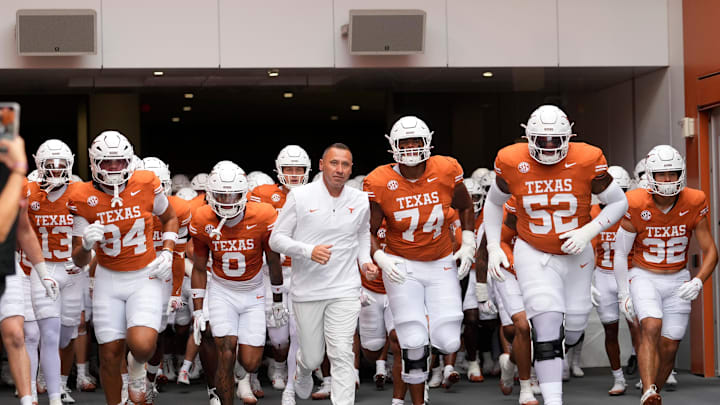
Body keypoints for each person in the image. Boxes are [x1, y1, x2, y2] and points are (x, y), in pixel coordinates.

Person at [484, 105, 628, 405]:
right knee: (547, 323)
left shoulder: (588, 157)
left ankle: (553, 355)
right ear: (528, 136)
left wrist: (587, 231)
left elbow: (618, 203)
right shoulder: (510, 159)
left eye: (555, 140)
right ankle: (553, 400)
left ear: (569, 137)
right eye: (541, 139)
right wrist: (495, 246)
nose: (549, 146)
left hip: (577, 251)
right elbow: (494, 202)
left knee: (573, 330)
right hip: (532, 249)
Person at [363, 116, 476, 405]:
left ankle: (425, 361)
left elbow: (465, 206)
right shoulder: (379, 180)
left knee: (449, 339)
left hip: (440, 262)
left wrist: (468, 241)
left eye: (416, 141)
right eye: (405, 142)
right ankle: (416, 399)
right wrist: (379, 256)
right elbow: (368, 230)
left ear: (428, 143)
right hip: (402, 264)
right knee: (412, 340)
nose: (411, 147)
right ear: (393, 146)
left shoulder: (447, 168)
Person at [68, 130, 179, 405]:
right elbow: (78, 260)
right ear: (95, 164)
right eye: (107, 162)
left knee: (142, 346)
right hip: (108, 277)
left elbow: (170, 218)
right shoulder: (81, 196)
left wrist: (167, 250)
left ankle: (138, 368)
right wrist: (85, 245)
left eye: (119, 161)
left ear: (129, 161)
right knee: (109, 353)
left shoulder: (145, 183)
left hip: (145, 275)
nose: (115, 168)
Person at [270, 143, 378, 405]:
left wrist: (365, 262)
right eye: (334, 163)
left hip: (345, 289)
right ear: (321, 164)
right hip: (307, 291)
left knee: (342, 353)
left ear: (351, 168)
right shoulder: (300, 196)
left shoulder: (360, 199)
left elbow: (362, 234)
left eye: (345, 164)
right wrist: (308, 251)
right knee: (313, 356)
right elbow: (276, 240)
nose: (339, 170)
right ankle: (304, 369)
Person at [613, 145, 717, 405]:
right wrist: (623, 293)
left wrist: (697, 280)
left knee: (670, 346)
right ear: (651, 176)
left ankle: (653, 390)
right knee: (651, 325)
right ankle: (647, 390)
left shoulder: (695, 199)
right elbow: (620, 251)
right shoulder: (635, 201)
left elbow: (711, 250)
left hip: (678, 277)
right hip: (644, 274)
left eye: (673, 173)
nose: (668, 179)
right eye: (662, 174)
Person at [190, 161, 286, 405]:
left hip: (253, 291)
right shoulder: (202, 217)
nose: (227, 201)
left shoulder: (263, 214)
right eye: (221, 195)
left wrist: (277, 300)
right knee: (226, 350)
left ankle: (241, 375)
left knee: (251, 362)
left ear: (244, 195)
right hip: (222, 290)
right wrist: (199, 309)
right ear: (210, 195)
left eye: (233, 194)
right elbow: (200, 268)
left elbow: (273, 262)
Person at [247, 144, 312, 404]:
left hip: (301, 272)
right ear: (278, 170)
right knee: (277, 334)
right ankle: (276, 362)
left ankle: (288, 376)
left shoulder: (316, 195)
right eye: (289, 169)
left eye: (299, 169)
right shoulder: (263, 194)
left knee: (298, 331)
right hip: (269, 272)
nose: (294, 174)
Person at [25, 140, 85, 403]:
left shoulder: (81, 191)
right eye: (51, 166)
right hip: (44, 267)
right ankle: (53, 396)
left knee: (66, 334)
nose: (57, 171)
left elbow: (88, 238)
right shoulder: (28, 191)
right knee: (46, 334)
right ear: (40, 165)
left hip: (73, 270)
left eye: (62, 166)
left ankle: (53, 378)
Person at [142, 157, 193, 403]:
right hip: (129, 273)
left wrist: (175, 291)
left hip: (160, 277)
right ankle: (130, 382)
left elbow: (178, 255)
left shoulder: (178, 209)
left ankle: (150, 379)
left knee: (157, 333)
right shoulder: (124, 205)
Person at [589, 165, 639, 396]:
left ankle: (645, 373)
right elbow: (586, 249)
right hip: (602, 273)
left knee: (636, 326)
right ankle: (618, 377)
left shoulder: (633, 211)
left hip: (628, 274)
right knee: (610, 329)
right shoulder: (591, 212)